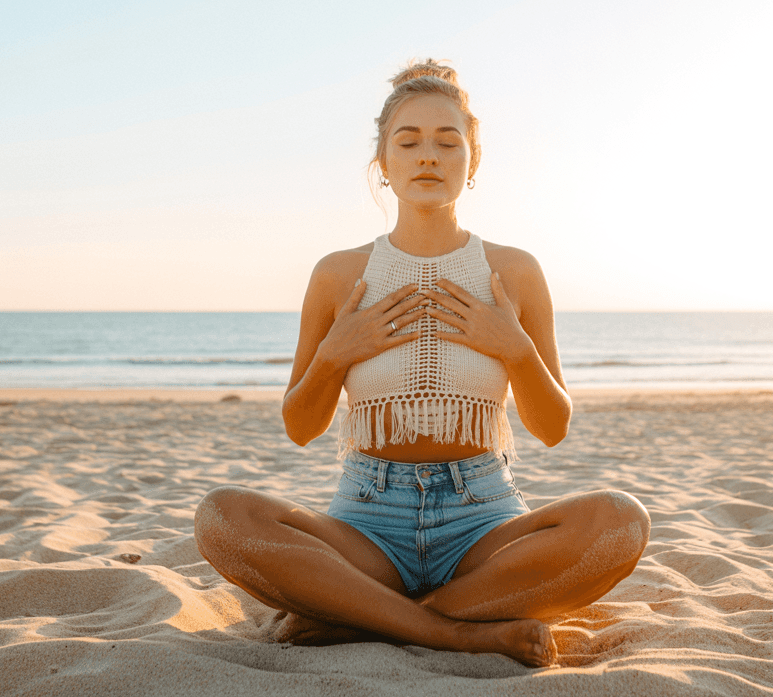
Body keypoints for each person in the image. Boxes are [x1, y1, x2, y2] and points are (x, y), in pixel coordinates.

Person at [195, 60, 650, 667]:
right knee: (223, 516)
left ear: (473, 159)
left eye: (447, 142)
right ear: (383, 163)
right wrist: (335, 354)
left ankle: (367, 614)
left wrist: (514, 347)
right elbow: (300, 426)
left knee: (620, 520)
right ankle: (455, 629)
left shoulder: (514, 271)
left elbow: (552, 427)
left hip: (482, 520)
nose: (428, 156)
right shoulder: (338, 274)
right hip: (366, 523)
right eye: (408, 142)